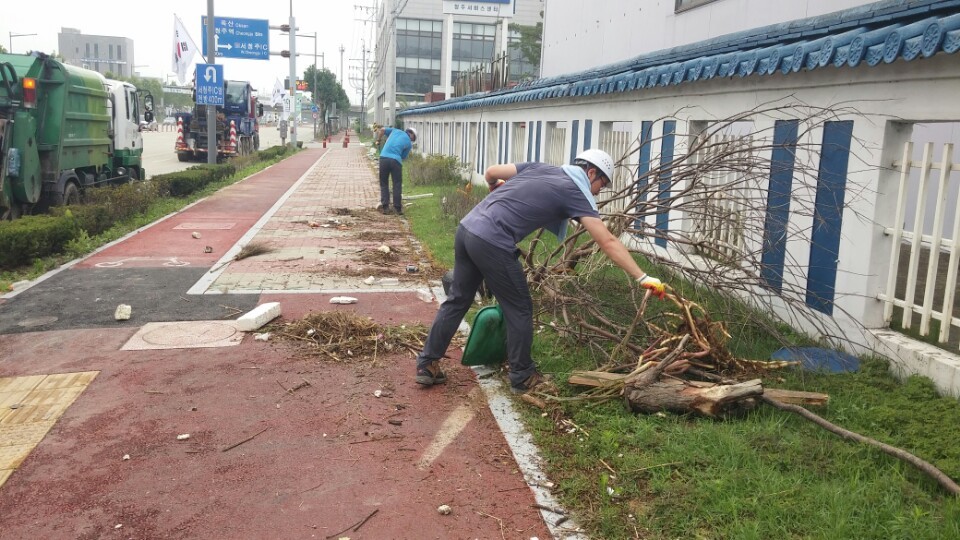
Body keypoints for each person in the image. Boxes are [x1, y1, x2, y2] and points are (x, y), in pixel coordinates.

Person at [414, 149, 666, 393]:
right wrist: (642, 277)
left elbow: (491, 171)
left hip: (467, 228)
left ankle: (427, 364)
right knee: (519, 308)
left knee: (458, 299)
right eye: (602, 184)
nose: (599, 192)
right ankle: (522, 376)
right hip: (492, 240)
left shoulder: (541, 168)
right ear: (591, 173)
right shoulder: (575, 191)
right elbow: (607, 241)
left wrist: (492, 186)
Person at [375, 126, 417, 215]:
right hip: (396, 161)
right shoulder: (408, 144)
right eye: (414, 138)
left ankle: (385, 207)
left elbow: (382, 130)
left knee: (384, 183)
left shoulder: (395, 130)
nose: (412, 140)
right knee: (397, 184)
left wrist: (378, 140)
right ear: (411, 134)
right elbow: (403, 157)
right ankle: (397, 208)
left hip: (384, 158)